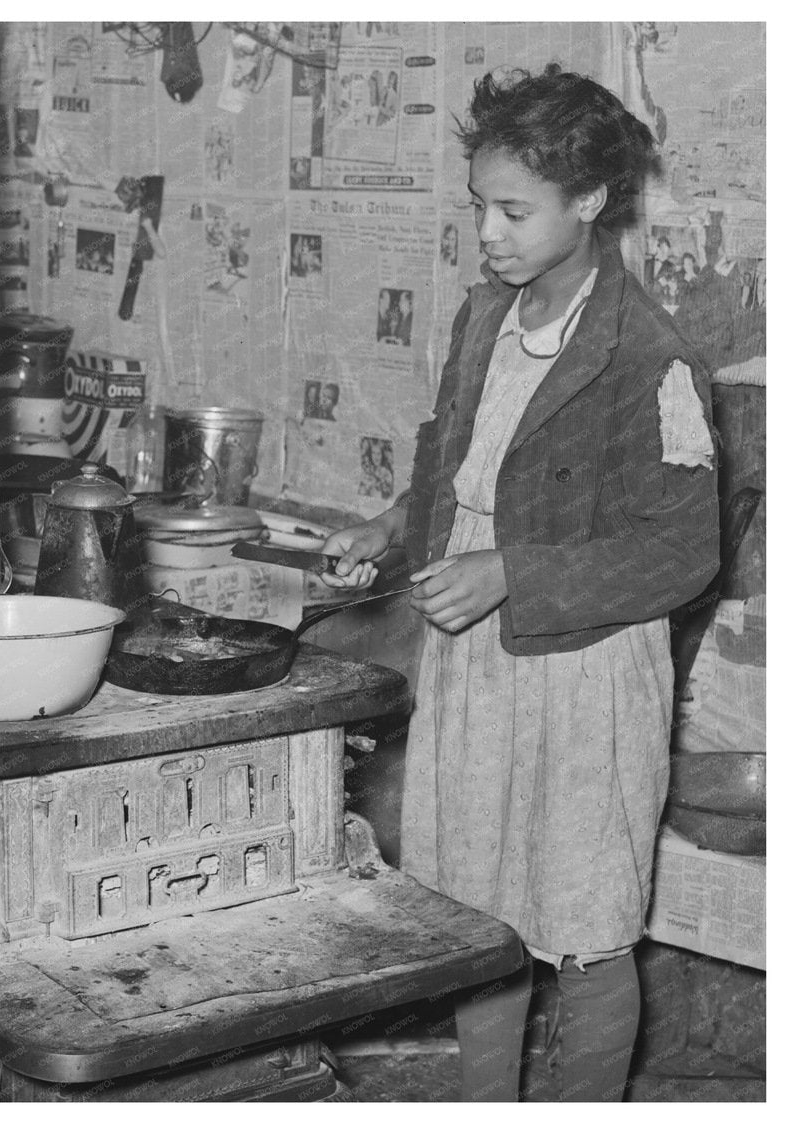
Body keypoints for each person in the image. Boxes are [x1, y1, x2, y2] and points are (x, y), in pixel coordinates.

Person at [320, 65, 717, 1102]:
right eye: (479, 207)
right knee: (476, 912)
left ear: (588, 201)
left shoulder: (649, 355)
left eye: (513, 211)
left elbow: (682, 553)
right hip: (475, 663)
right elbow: (453, 453)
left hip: (584, 670)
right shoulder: (484, 315)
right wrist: (391, 526)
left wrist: (511, 570)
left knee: (584, 918)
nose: (488, 233)